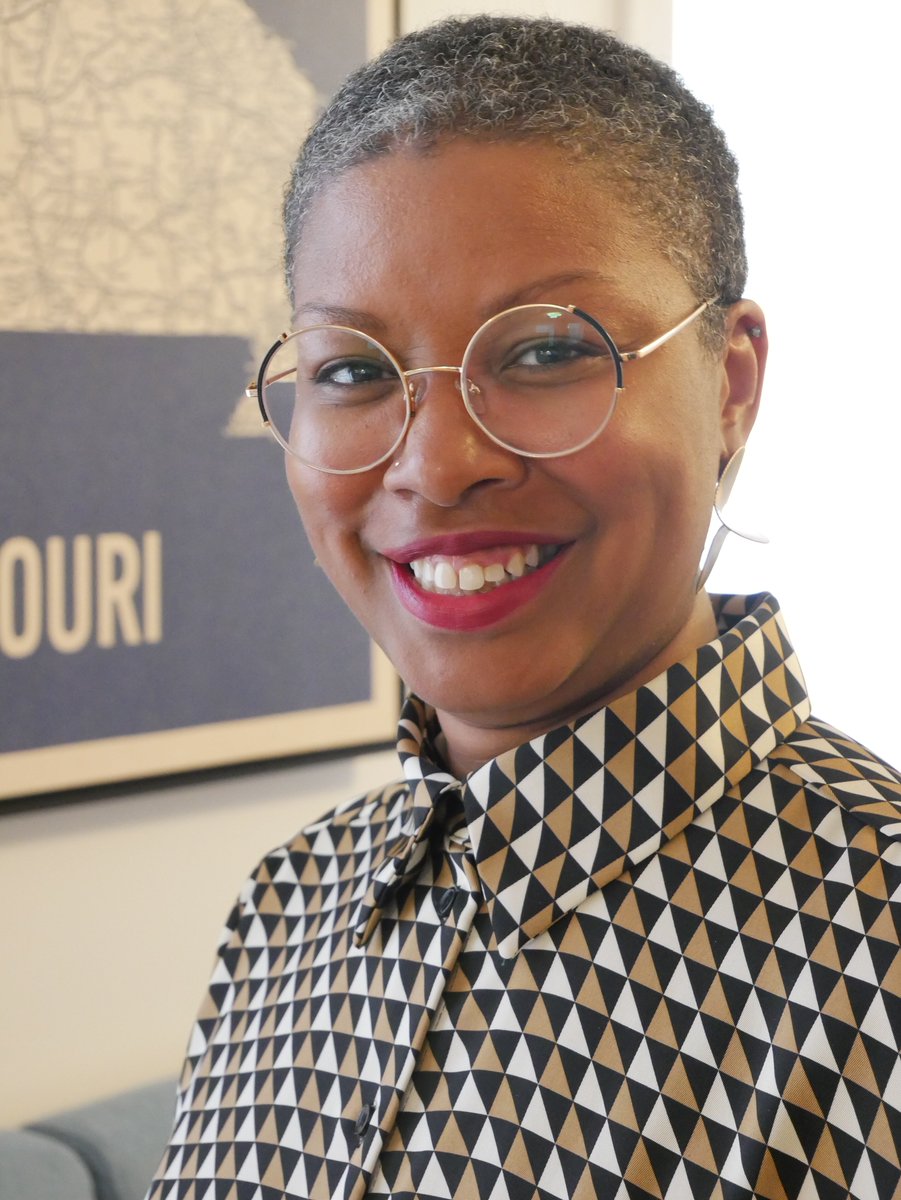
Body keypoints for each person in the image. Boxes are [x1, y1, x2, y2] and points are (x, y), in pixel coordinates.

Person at [148, 16, 901, 1200]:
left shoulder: (876, 941)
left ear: (730, 385)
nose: (438, 465)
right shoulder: (288, 904)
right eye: (354, 371)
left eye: (548, 352)